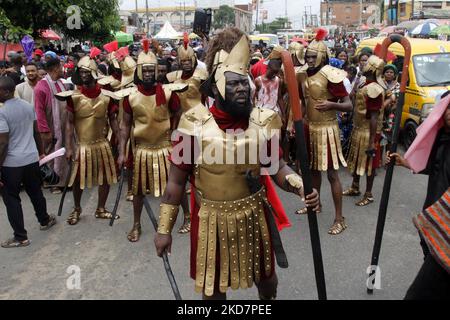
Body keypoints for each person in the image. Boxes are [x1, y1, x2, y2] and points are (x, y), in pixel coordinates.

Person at [154, 28, 320, 300]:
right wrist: (164, 231)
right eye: (233, 84)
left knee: (268, 284)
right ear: (216, 87)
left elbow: (276, 166)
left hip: (253, 215)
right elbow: (175, 181)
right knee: (213, 290)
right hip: (210, 220)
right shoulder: (192, 124)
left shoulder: (261, 121)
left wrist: (301, 185)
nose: (242, 88)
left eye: (244, 82)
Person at [116, 39, 187, 242]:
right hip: (142, 149)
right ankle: (136, 224)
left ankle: (188, 217)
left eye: (151, 71)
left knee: (177, 184)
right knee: (138, 189)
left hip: (166, 146)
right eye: (144, 71)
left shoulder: (168, 91)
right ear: (139, 72)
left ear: (156, 71)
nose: (148, 74)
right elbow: (124, 125)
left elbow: (178, 112)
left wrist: (175, 134)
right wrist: (122, 152)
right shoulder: (130, 96)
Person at [386, 91, 450, 299]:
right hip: (434, 212)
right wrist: (407, 162)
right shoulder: (442, 137)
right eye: (448, 107)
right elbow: (436, 165)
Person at [296, 28, 352, 235]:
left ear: (322, 56)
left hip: (328, 128)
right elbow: (303, 101)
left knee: (331, 174)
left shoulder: (331, 74)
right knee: (312, 171)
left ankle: (340, 218)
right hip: (310, 126)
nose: (310, 59)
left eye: (313, 56)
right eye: (307, 56)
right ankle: (315, 204)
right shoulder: (301, 74)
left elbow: (348, 105)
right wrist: (297, 123)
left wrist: (331, 104)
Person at [56, 50, 120, 225]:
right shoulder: (74, 97)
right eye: (81, 72)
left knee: (106, 178)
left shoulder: (107, 97)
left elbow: (114, 121)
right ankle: (77, 208)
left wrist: (121, 145)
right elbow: (69, 124)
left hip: (102, 144)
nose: (83, 75)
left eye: (86, 72)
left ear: (93, 73)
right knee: (77, 179)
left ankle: (101, 208)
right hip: (82, 145)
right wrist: (69, 147)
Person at [0, 76, 56, 248]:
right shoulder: (27, 106)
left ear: (7, 91)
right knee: (35, 191)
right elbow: (36, 132)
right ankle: (44, 220)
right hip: (31, 158)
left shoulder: (2, 113)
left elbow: (3, 143)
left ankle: (20, 237)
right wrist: (40, 153)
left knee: (11, 198)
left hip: (12, 163)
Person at [166, 33, 209, 233]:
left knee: (204, 173)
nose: (185, 63)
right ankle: (187, 216)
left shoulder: (201, 77)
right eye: (181, 60)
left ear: (193, 59)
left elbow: (210, 100)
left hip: (202, 126)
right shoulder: (172, 78)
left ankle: (206, 212)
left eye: (188, 60)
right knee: (180, 175)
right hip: (182, 128)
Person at [343, 55, 386, 206]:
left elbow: (374, 116)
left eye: (367, 63)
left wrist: (372, 141)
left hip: (368, 131)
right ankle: (355, 187)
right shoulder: (364, 83)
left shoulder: (374, 88)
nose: (364, 64)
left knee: (369, 164)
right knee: (356, 159)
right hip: (359, 128)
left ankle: (368, 194)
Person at [33, 57, 70, 194]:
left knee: (63, 153)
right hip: (50, 128)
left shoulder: (61, 83)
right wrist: (44, 130)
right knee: (50, 155)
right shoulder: (41, 87)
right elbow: (39, 111)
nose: (62, 69)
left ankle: (63, 181)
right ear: (55, 69)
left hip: (63, 125)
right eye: (61, 67)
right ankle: (52, 183)